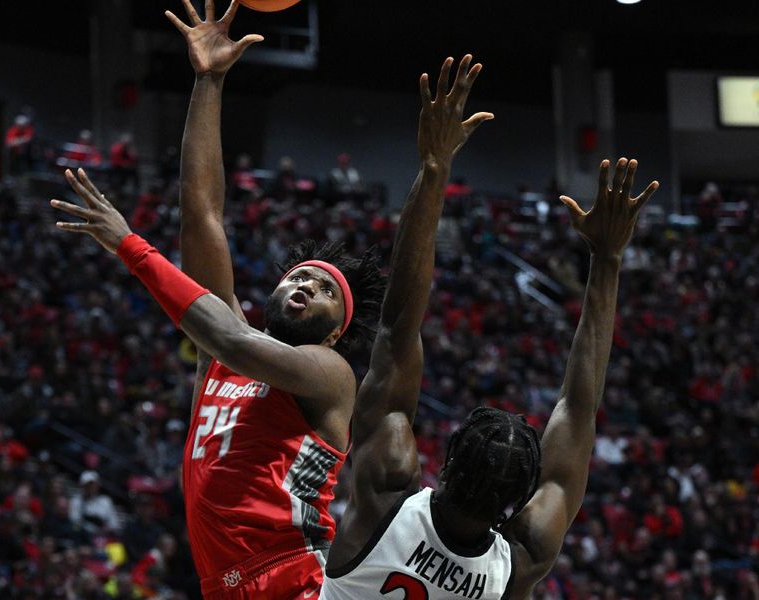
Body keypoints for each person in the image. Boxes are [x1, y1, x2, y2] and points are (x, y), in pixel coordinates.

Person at [54, 2, 384, 598]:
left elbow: (231, 338)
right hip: (225, 586)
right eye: (298, 277)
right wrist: (208, 81)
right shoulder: (225, 349)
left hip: (294, 580)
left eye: (328, 290)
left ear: (337, 330)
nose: (306, 285)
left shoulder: (329, 374)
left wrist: (128, 244)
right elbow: (203, 212)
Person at [320, 157, 659, 599]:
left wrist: (433, 167)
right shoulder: (517, 564)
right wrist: (608, 259)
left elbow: (397, 328)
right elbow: (578, 412)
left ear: (449, 459)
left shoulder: (386, 496)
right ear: (517, 502)